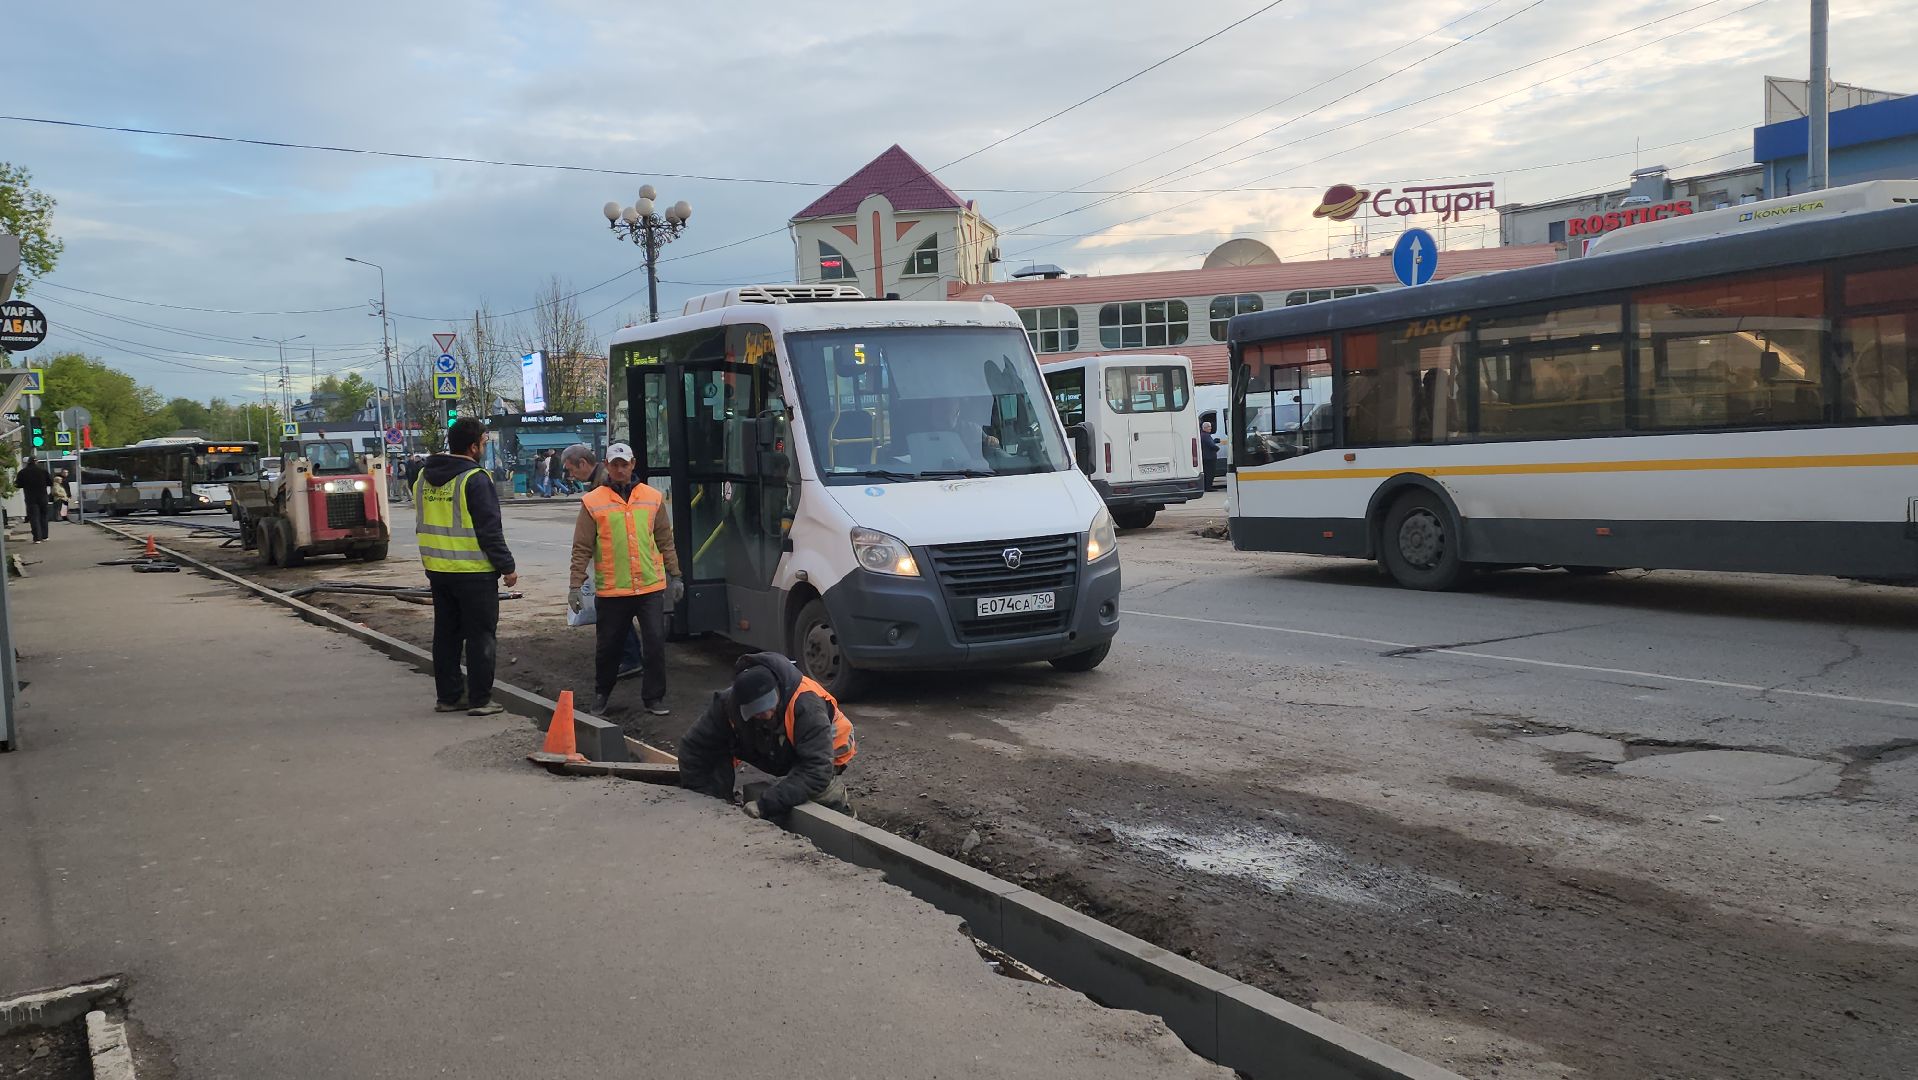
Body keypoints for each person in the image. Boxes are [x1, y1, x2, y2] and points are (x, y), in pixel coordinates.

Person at [568, 442, 681, 716]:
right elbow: (582, 546)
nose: (620, 469)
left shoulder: (652, 497)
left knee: (654, 645)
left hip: (649, 586)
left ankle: (654, 698)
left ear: (633, 465)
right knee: (608, 648)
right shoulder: (593, 502)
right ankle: (601, 695)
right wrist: (575, 585)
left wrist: (675, 574)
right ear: (607, 466)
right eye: (615, 465)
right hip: (612, 591)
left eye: (624, 464)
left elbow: (665, 539)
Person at [416, 418, 518, 716]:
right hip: (473, 572)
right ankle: (481, 700)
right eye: (483, 444)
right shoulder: (475, 478)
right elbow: (489, 530)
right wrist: (507, 567)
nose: (483, 449)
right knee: (480, 636)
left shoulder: (424, 475)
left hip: (438, 569)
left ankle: (448, 697)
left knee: (446, 635)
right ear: (473, 447)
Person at [677, 652, 857, 819]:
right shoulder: (728, 705)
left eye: (768, 706)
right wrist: (704, 800)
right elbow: (694, 748)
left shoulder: (806, 704)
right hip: (779, 746)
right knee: (715, 755)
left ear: (778, 691)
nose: (766, 714)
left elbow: (817, 770)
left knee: (818, 790)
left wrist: (765, 805)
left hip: (830, 745)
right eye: (757, 712)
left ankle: (846, 818)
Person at [14, 457, 53, 543]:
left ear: (28, 462)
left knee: (34, 517)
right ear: (36, 462)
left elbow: (17, 484)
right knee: (44, 516)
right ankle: (45, 536)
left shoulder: (22, 472)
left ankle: (37, 538)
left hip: (30, 497)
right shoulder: (43, 471)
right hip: (43, 496)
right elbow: (50, 482)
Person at [1199, 421, 1221, 489]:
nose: (1210, 428)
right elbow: (1211, 445)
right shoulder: (1206, 436)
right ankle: (1209, 487)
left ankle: (1206, 486)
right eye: (1209, 427)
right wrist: (1217, 448)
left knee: (1206, 472)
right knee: (1210, 473)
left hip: (1205, 457)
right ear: (1205, 428)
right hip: (1210, 458)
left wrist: (1214, 441)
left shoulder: (1202, 435)